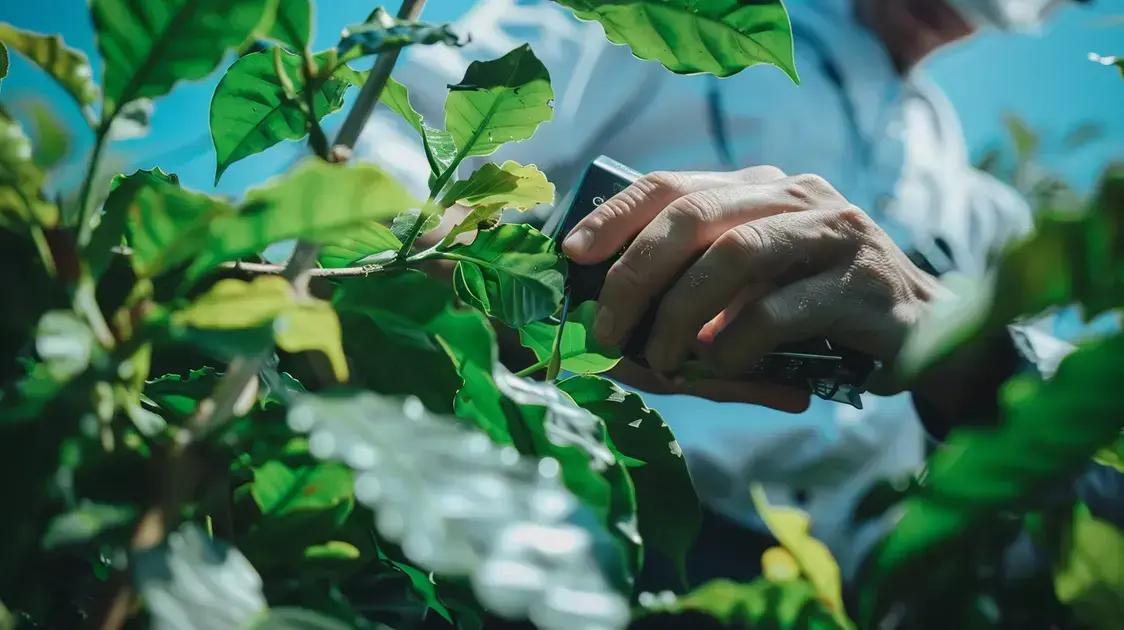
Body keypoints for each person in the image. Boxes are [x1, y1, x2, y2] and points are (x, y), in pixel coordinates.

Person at [359, 0, 1083, 580]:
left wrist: (960, 353)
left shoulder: (981, 213)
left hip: (808, 583)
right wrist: (526, 298)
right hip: (554, 510)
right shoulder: (669, 24)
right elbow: (377, 181)